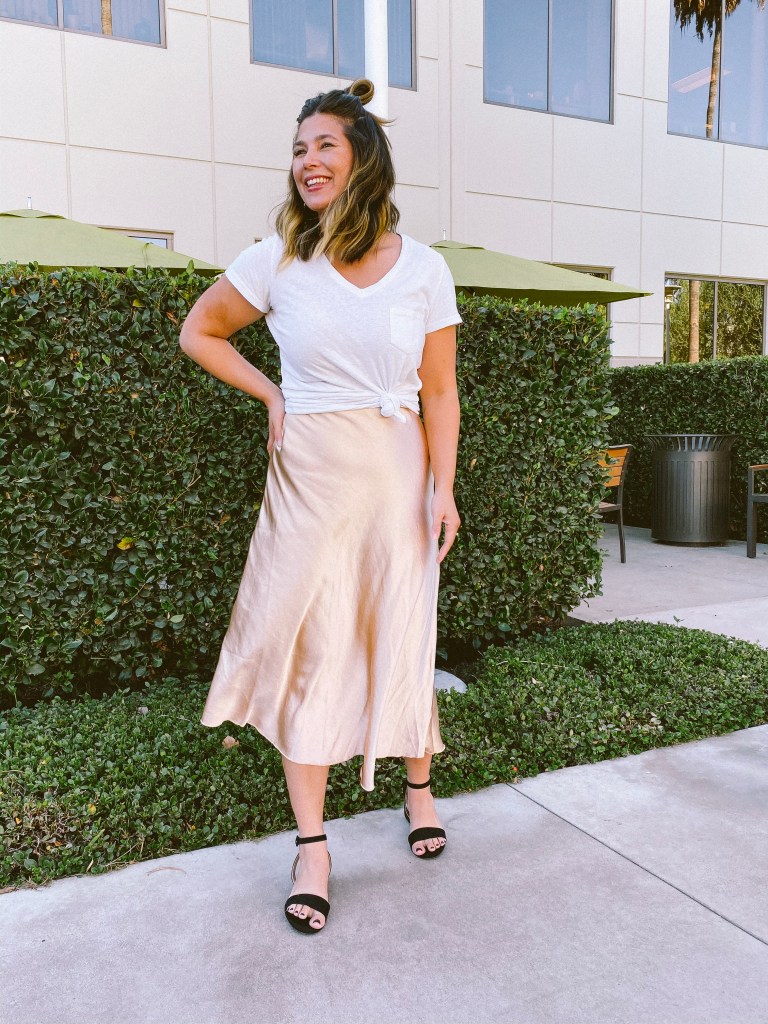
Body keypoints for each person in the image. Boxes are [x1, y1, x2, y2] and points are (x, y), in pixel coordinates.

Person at [179, 78, 461, 934]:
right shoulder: (276, 259)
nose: (307, 161)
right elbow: (200, 331)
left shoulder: (424, 268)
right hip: (308, 482)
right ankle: (312, 846)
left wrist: (444, 488)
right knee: (308, 646)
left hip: (397, 480)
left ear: (362, 157)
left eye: (324, 145)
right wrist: (272, 394)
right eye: (299, 149)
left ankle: (418, 789)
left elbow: (440, 391)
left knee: (400, 631)